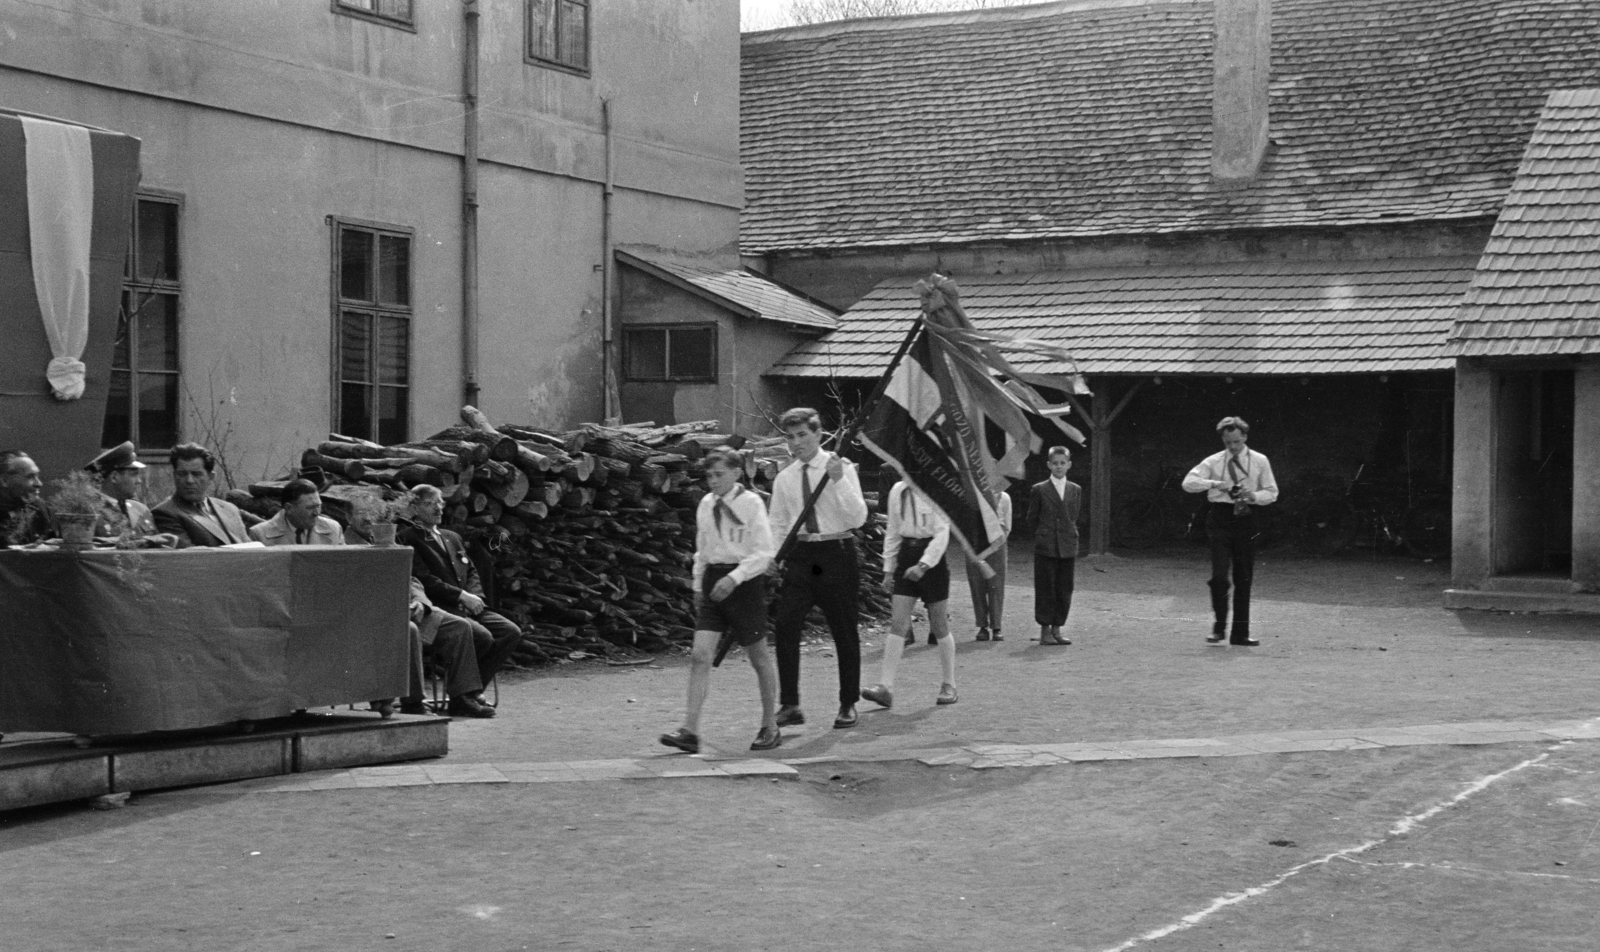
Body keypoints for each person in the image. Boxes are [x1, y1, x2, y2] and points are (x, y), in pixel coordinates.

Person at [659, 448, 781, 754]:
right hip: (715, 582)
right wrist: (699, 585)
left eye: (719, 475)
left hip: (744, 584)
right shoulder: (706, 504)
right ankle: (690, 730)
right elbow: (703, 547)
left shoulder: (752, 503)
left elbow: (764, 552)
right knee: (700, 655)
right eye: (709, 476)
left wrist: (735, 578)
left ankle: (770, 725)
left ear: (737, 473)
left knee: (759, 657)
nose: (713, 481)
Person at [767, 407, 870, 730]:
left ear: (818, 434)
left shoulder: (838, 467)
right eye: (790, 437)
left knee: (843, 627)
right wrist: (773, 556)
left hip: (835, 552)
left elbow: (858, 518)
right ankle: (790, 704)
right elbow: (779, 523)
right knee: (786, 624)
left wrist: (839, 481)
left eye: (802, 435)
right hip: (801, 556)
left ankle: (847, 703)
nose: (796, 443)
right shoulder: (785, 478)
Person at [345, 507, 488, 719]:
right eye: (360, 513)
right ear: (348, 517)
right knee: (409, 631)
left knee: (458, 626)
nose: (368, 517)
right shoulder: (343, 543)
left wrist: (420, 601)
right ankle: (413, 702)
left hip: (409, 606)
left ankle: (462, 698)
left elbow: (411, 578)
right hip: (374, 613)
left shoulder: (385, 538)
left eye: (372, 512)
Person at [398, 485, 519, 716]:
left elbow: (471, 569)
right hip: (441, 606)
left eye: (440, 502)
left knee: (509, 631)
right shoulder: (408, 538)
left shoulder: (451, 537)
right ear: (413, 507)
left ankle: (472, 692)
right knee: (481, 636)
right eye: (430, 503)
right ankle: (462, 696)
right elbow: (424, 579)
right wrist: (459, 596)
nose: (438, 507)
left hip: (468, 605)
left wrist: (474, 597)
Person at [1182, 416, 1279, 646]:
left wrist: (1254, 496)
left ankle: (1240, 634)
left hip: (1247, 517)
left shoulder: (1259, 460)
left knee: (1243, 577)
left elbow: (1272, 492)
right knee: (1219, 575)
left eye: (1236, 441)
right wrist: (1214, 484)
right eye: (1228, 443)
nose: (1233, 447)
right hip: (1220, 517)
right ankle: (1219, 627)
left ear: (1245, 437)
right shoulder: (1214, 462)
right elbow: (1188, 483)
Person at [862, 479, 958, 711]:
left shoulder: (936, 488)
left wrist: (923, 566)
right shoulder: (897, 490)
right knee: (898, 623)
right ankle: (885, 687)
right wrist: (888, 569)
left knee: (939, 624)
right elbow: (893, 531)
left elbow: (942, 534)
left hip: (932, 562)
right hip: (907, 555)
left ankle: (949, 684)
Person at [152, 443, 261, 546]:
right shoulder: (165, 513)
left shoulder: (229, 508)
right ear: (174, 476)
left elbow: (249, 546)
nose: (189, 480)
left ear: (211, 477)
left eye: (196, 474)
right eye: (182, 474)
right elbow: (188, 556)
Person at [1026, 446, 1080, 646]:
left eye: (1062, 463)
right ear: (1048, 465)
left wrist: (1067, 534)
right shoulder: (1039, 489)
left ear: (1069, 465)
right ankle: (1045, 630)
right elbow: (1032, 518)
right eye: (1055, 463)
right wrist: (1043, 536)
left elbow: (1073, 516)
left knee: (1064, 587)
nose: (1059, 467)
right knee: (1045, 587)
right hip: (1046, 545)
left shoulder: (1075, 489)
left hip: (1067, 544)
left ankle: (1058, 628)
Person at [967, 487, 1012, 642]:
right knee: (977, 585)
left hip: (997, 545)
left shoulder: (1004, 497)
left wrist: (995, 545)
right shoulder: (969, 496)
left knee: (996, 585)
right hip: (974, 545)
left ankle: (997, 626)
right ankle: (982, 626)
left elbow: (1007, 525)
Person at [249, 479, 344, 546]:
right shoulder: (259, 534)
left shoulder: (334, 529)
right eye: (310, 507)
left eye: (318, 506)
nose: (317, 513)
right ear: (289, 508)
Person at [0, 450, 51, 548]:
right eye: (30, 476)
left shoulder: (38, 509)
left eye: (37, 476)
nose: (39, 483)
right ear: (4, 480)